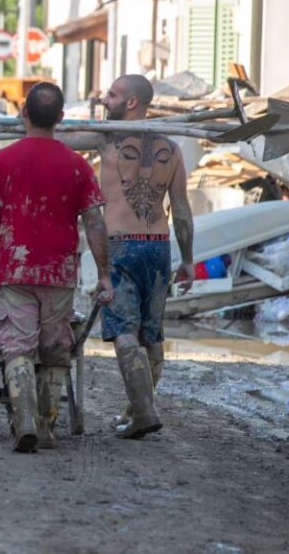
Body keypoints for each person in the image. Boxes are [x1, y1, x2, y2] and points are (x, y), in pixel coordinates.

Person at [0, 83, 114, 453]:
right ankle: (47, 428)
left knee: (16, 347)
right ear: (61, 119)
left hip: (15, 269)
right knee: (54, 348)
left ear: (24, 114)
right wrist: (104, 274)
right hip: (58, 271)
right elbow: (95, 223)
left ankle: (24, 422)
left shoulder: (2, 160)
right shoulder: (78, 165)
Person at [59, 74, 195, 439]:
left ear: (132, 102)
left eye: (113, 95)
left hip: (121, 245)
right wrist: (187, 259)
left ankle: (145, 412)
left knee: (123, 330)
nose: (105, 99)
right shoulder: (171, 146)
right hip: (157, 247)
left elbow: (57, 138)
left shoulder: (107, 139)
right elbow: (181, 210)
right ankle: (137, 408)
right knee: (151, 334)